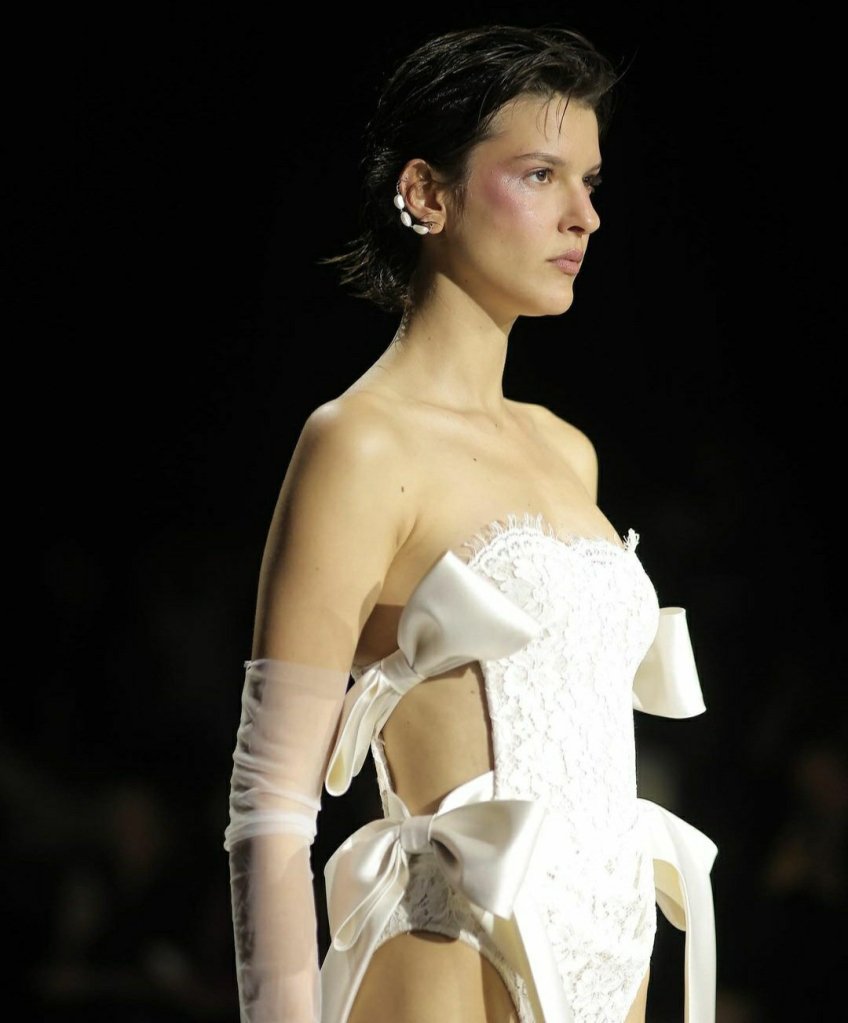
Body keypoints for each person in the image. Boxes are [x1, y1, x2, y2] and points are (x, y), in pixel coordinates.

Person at [223, 23, 718, 1023]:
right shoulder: (360, 445)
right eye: (540, 175)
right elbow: (271, 803)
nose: (583, 214)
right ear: (426, 193)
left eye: (589, 182)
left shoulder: (567, 451)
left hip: (615, 965)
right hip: (446, 965)